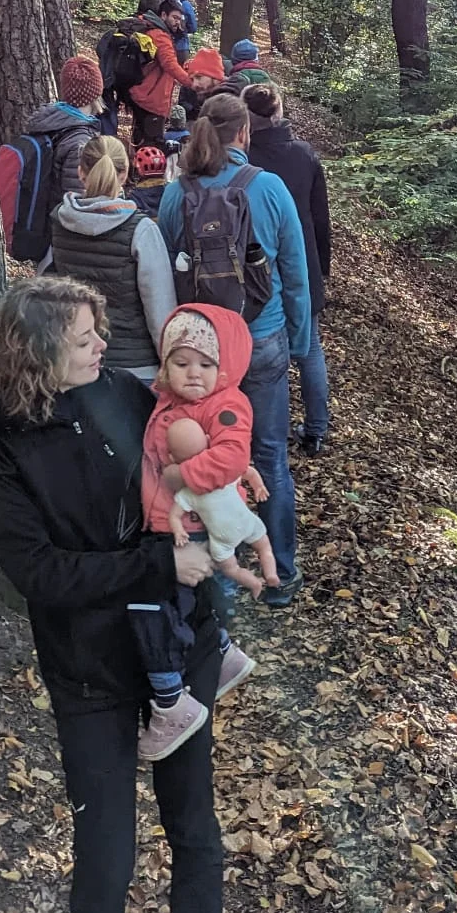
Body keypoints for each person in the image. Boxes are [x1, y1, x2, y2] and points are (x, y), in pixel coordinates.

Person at [0, 279, 225, 913]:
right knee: (104, 836)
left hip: (176, 649)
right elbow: (38, 574)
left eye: (98, 332)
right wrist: (154, 563)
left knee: (192, 828)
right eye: (83, 337)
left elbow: (191, 470)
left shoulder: (124, 394)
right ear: (38, 352)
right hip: (86, 668)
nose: (101, 346)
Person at [158, 92, 310, 608]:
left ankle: (217, 585)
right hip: (262, 339)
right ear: (244, 133)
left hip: (204, 351)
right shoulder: (269, 188)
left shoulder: (179, 193)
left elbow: (167, 267)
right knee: (268, 455)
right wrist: (300, 338)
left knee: (202, 459)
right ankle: (280, 576)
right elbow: (295, 271)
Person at [133, 307, 276, 756]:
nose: (193, 374)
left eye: (206, 364)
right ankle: (223, 654)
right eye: (181, 362)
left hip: (191, 526)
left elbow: (231, 456)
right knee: (183, 602)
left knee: (148, 606)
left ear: (225, 366)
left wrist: (184, 477)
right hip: (168, 521)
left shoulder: (226, 404)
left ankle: (171, 702)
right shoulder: (170, 400)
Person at [242, 85, 332, 453]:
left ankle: (254, 431)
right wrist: (322, 268)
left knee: (253, 348)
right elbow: (321, 219)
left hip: (254, 267)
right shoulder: (303, 154)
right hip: (303, 264)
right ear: (279, 111)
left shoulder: (243, 160)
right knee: (309, 348)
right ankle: (315, 431)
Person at [47, 136, 176, 382]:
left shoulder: (59, 221)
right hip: (136, 369)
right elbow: (160, 309)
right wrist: (170, 363)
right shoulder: (142, 229)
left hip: (78, 364)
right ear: (125, 173)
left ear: (80, 172)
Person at [0, 56, 106, 243]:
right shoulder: (80, 142)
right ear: (96, 92)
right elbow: (78, 200)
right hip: (61, 236)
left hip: (46, 224)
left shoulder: (51, 121)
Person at [127, 0, 196, 148]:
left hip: (144, 95)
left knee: (141, 141)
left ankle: (135, 169)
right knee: (152, 146)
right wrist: (193, 83)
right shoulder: (160, 35)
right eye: (175, 18)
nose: (178, 22)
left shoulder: (152, 29)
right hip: (152, 100)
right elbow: (170, 64)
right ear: (163, 15)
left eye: (180, 19)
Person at [180, 48, 227, 120]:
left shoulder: (233, 104)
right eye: (192, 79)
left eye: (199, 77)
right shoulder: (192, 90)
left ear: (215, 77)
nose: (194, 85)